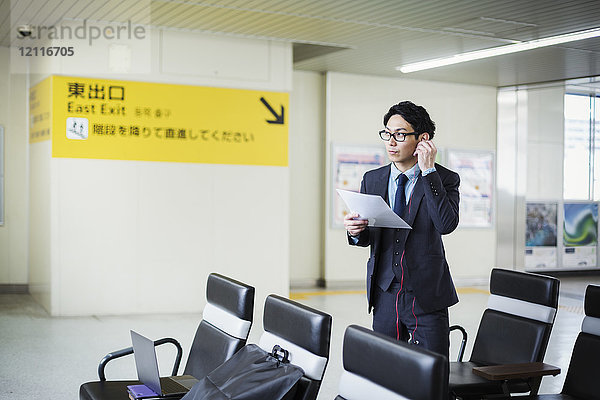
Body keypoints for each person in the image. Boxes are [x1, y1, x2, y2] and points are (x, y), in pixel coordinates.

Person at [343, 101, 460, 360]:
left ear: (423, 139)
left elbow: (446, 224)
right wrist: (355, 231)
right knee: (384, 369)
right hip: (385, 291)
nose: (391, 142)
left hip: (427, 294)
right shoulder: (372, 179)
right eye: (387, 134)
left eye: (400, 135)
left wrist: (429, 170)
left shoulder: (445, 179)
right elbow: (367, 238)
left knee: (431, 372)